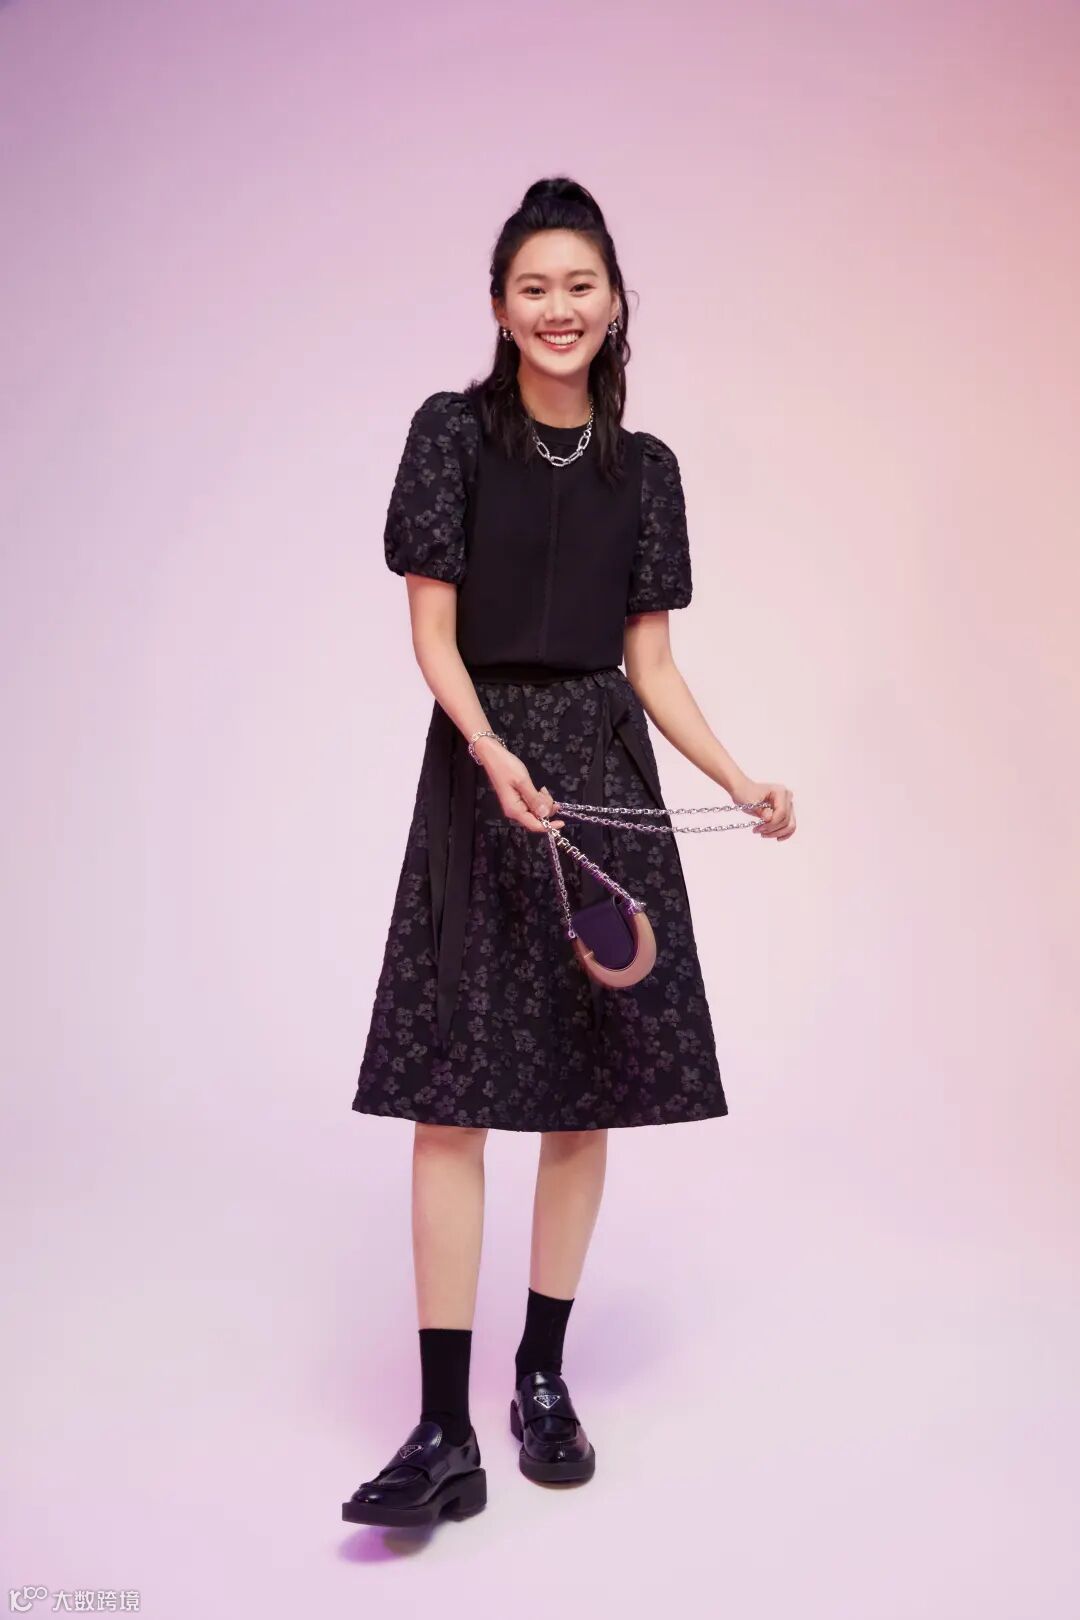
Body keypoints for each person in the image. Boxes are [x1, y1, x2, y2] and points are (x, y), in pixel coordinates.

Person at [342, 177, 796, 1530]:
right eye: (533, 287)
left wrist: (739, 778)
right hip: (482, 769)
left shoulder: (644, 471)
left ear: (614, 303)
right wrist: (489, 750)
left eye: (579, 285)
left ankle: (540, 1379)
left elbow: (650, 662)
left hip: (601, 776)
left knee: (581, 1095)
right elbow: (432, 635)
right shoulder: (450, 435)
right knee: (450, 1094)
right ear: (499, 306)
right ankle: (441, 1428)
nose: (558, 308)